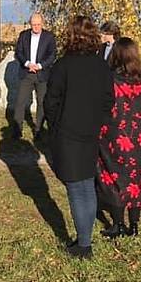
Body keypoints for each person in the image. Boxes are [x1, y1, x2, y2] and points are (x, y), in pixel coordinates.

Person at [44, 16, 114, 259]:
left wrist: (54, 126)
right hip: (91, 132)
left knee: (76, 188)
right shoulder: (102, 66)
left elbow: (50, 101)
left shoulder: (63, 66)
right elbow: (109, 101)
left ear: (71, 36)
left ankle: (84, 245)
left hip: (68, 133)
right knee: (86, 184)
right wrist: (99, 121)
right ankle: (85, 239)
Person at [96, 37, 141, 238]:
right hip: (138, 137)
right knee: (136, 179)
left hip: (114, 135)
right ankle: (134, 225)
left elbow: (102, 105)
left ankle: (118, 224)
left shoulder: (109, 78)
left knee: (113, 178)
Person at [13, 13, 57, 139]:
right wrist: (27, 64)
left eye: (38, 25)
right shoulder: (24, 35)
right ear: (30, 24)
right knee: (20, 101)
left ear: (42, 24)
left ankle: (39, 130)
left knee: (42, 103)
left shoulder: (49, 37)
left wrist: (40, 65)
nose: (36, 27)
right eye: (33, 25)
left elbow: (52, 55)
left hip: (42, 74)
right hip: (26, 73)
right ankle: (17, 130)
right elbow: (19, 52)